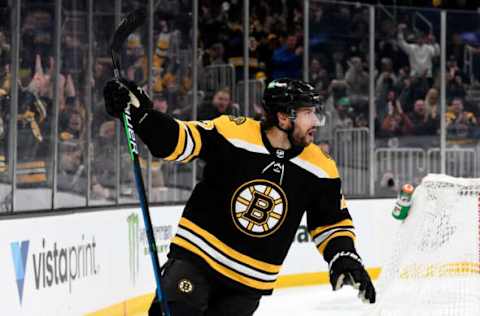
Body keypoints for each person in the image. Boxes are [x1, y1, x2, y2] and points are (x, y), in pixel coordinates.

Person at [103, 77, 375, 316]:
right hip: (197, 260)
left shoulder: (321, 167)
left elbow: (331, 222)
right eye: (307, 113)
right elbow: (179, 140)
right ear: (283, 117)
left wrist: (343, 255)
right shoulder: (233, 132)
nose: (316, 121)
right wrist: (143, 115)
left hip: (246, 287)